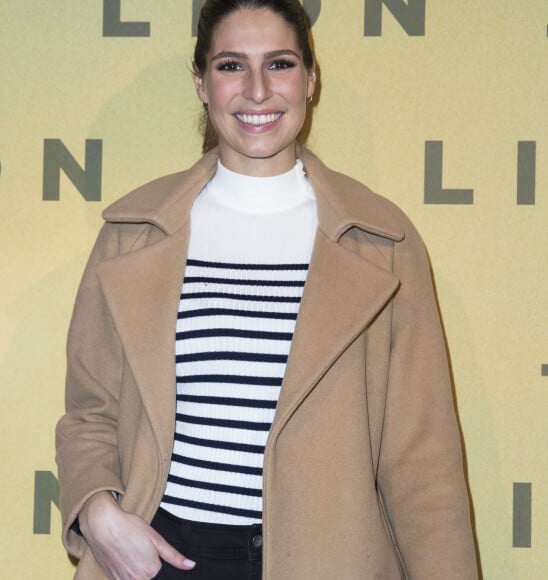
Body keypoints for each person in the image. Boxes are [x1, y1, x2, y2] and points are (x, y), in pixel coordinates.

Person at [56, 0, 479, 578]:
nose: (257, 90)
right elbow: (90, 412)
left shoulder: (381, 243)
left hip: (329, 561)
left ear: (310, 79)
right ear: (202, 84)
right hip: (160, 560)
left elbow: (423, 467)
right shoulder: (134, 235)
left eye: (279, 64)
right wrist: (98, 512)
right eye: (231, 66)